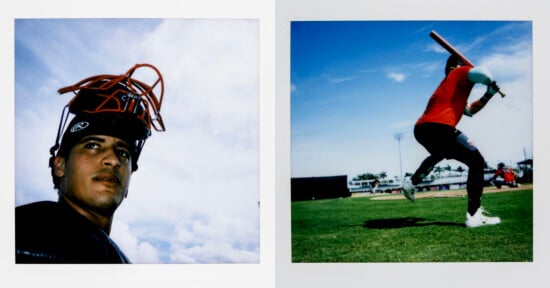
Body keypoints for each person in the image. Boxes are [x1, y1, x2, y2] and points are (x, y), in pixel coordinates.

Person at [15, 64, 166, 263]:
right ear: (60, 166)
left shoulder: (113, 257)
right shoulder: (25, 230)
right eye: (93, 145)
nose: (113, 160)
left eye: (123, 153)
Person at [401, 54, 501, 228]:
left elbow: (470, 111)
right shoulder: (456, 73)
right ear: (456, 66)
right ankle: (474, 215)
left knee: (441, 152)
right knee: (477, 161)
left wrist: (489, 94)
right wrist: (488, 79)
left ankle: (412, 182)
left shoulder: (454, 89)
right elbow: (484, 74)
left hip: (423, 129)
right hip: (439, 127)